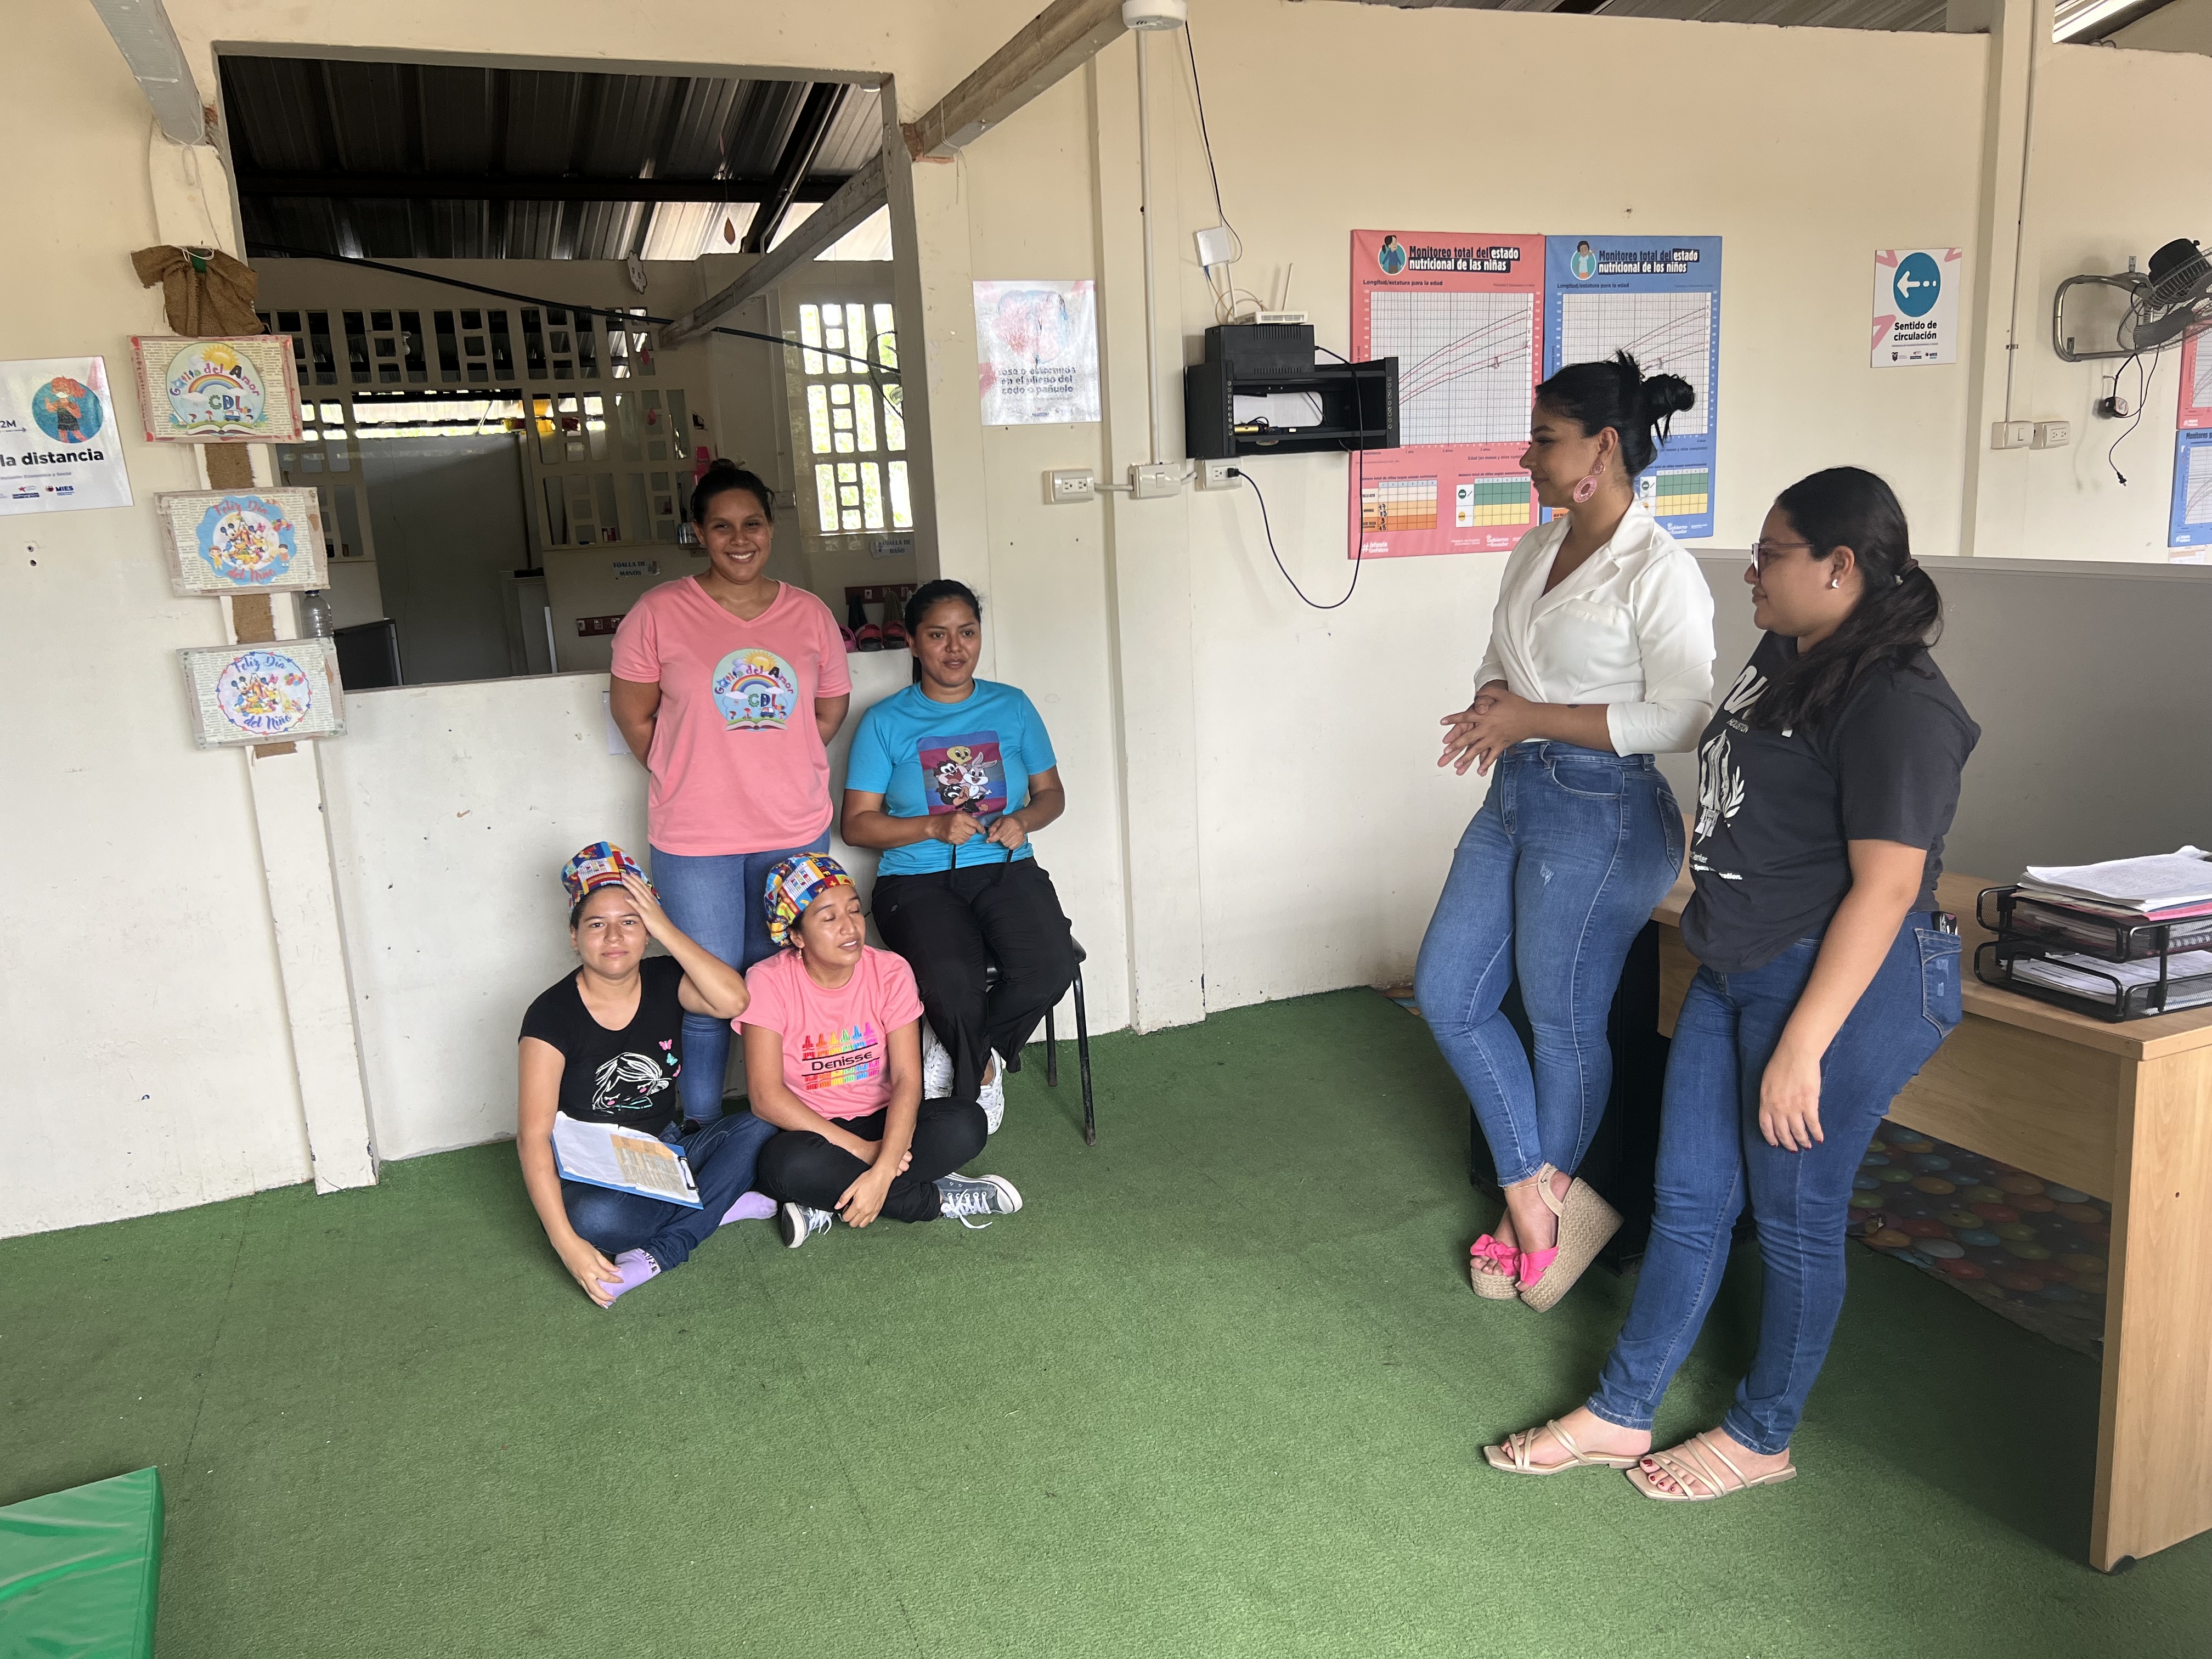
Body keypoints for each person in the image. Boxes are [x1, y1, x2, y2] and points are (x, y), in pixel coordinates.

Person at [1484, 467, 1977, 1499]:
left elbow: (1888, 887)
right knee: (1688, 1199)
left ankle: (1762, 1435)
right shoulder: (1789, 652)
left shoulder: (1899, 703)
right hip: (1735, 961)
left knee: (1796, 1220)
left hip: (1838, 988)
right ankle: (1621, 1411)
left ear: (1840, 567)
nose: (1751, 573)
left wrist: (1803, 1046)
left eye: (1771, 555)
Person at [1414, 351, 1715, 1312]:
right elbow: (1501, 657)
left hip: (1606, 807)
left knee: (1561, 1023)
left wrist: (1530, 717)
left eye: (1545, 439)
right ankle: (1535, 1196)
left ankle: (1533, 1216)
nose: (1527, 456)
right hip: (1516, 793)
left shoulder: (1659, 569)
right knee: (1447, 993)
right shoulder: (1535, 548)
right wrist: (1489, 703)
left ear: (1603, 447)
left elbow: (1682, 717)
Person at [609, 461, 852, 1125]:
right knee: (710, 992)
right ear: (699, 532)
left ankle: (793, 1124)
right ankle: (703, 1128)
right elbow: (634, 717)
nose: (739, 539)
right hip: (697, 837)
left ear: (771, 529)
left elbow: (828, 711)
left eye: (752, 525)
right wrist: (688, 771)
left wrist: (780, 762)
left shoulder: (809, 614)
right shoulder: (658, 613)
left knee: (787, 984)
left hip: (794, 829)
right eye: (722, 527)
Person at [840, 579, 1076, 1130]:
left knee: (1050, 968)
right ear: (912, 642)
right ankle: (980, 1079)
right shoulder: (885, 721)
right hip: (915, 881)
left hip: (1006, 869)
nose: (954, 648)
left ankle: (962, 1053)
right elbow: (855, 825)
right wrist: (931, 825)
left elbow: (1051, 795)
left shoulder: (1013, 707)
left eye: (967, 633)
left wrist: (1022, 820)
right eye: (937, 635)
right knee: (951, 982)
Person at [516, 843, 777, 1307]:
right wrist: (566, 1244)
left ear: (648, 931)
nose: (615, 936)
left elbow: (734, 1001)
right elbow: (533, 1136)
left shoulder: (665, 979)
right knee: (594, 1221)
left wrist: (665, 927)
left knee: (762, 1124)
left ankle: (668, 1243)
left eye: (630, 922)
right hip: (594, 1168)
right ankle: (718, 1205)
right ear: (574, 936)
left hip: (667, 1150)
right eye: (597, 924)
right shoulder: (550, 1016)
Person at [743, 853, 1024, 1248]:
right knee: (783, 1165)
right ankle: (935, 1200)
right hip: (815, 1131)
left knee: (966, 1123)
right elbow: (765, 1097)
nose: (850, 927)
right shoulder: (767, 981)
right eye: (829, 918)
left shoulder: (890, 971)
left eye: (854, 910)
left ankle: (825, 1201)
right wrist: (869, 1155)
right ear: (797, 936)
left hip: (887, 1121)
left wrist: (886, 1161)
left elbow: (908, 1078)